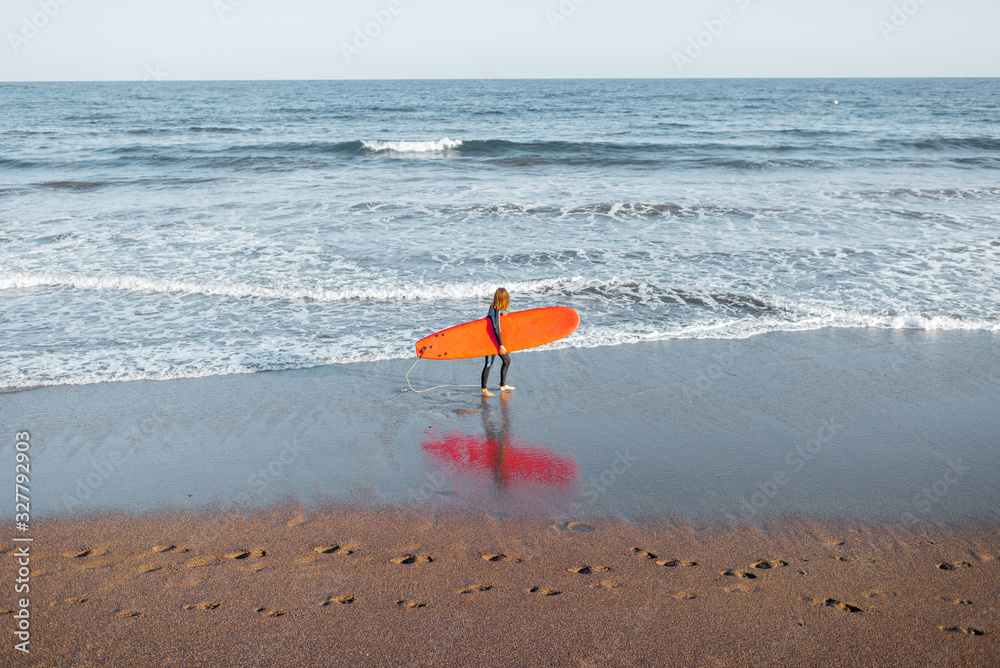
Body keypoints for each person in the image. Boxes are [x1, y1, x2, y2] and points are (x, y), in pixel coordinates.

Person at [481, 287, 514, 397]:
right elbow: (496, 329)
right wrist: (501, 345)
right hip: (491, 342)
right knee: (489, 364)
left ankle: (503, 384)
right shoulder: (495, 310)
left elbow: (490, 319)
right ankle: (484, 389)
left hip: (495, 340)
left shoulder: (494, 309)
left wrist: (500, 316)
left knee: (507, 361)